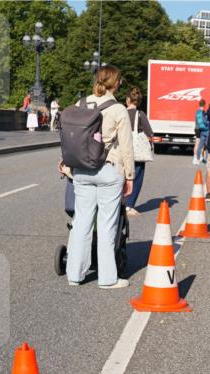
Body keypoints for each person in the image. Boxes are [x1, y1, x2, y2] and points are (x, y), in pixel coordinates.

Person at [65, 65, 135, 289]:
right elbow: (126, 148)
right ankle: (107, 279)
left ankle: (74, 275)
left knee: (81, 222)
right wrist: (130, 176)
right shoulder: (118, 110)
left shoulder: (80, 104)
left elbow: (71, 137)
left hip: (81, 170)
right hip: (108, 170)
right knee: (106, 225)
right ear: (116, 83)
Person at [124, 86, 154, 217]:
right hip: (137, 153)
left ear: (127, 100)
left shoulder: (121, 113)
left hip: (122, 151)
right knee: (137, 178)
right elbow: (149, 132)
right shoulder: (140, 115)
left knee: (123, 177)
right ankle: (129, 205)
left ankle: (120, 203)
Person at [195, 99, 209, 165]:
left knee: (200, 146)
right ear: (204, 104)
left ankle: (197, 159)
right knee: (207, 146)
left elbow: (197, 121)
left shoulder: (197, 112)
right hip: (206, 130)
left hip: (200, 130)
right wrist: (208, 122)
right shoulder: (202, 111)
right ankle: (207, 160)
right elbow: (205, 121)